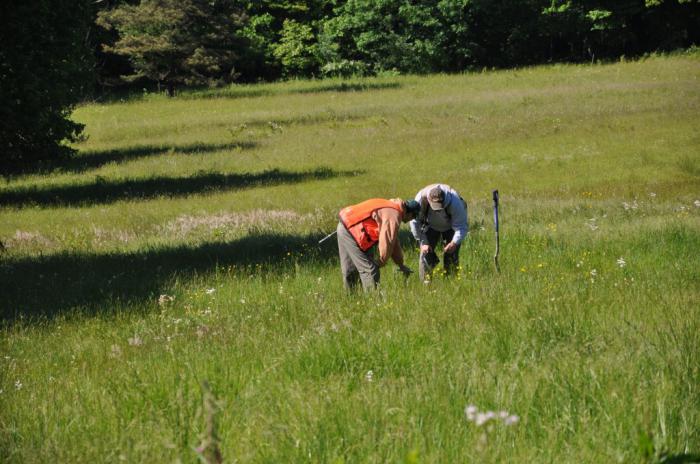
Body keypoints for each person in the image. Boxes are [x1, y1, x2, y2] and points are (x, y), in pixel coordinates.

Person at [336, 197, 420, 290]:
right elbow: (388, 241)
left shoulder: (390, 206)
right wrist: (381, 261)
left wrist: (400, 264)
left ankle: (351, 300)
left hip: (344, 226)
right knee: (371, 270)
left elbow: (393, 242)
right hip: (353, 231)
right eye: (414, 216)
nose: (411, 220)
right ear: (410, 213)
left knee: (350, 270)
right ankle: (373, 302)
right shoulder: (393, 214)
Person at [409, 184, 468, 281]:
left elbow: (461, 226)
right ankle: (426, 284)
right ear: (428, 199)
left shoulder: (455, 202)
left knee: (452, 255)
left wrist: (454, 242)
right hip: (430, 226)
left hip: (451, 227)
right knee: (425, 254)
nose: (437, 209)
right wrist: (423, 242)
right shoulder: (420, 199)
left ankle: (451, 282)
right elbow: (414, 223)